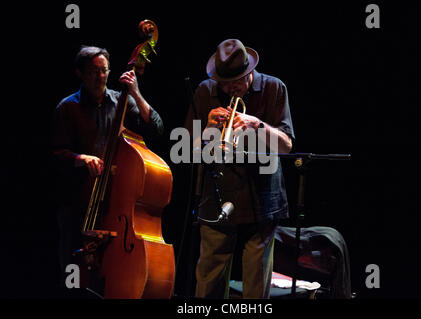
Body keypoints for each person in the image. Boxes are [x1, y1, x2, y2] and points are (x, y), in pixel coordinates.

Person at [184, 39, 295, 298]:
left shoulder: (274, 88)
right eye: (225, 83)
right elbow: (189, 151)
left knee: (256, 290)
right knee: (208, 285)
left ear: (249, 73)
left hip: (262, 204)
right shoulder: (204, 92)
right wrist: (211, 127)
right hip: (216, 201)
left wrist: (257, 125)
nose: (230, 88)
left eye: (237, 81)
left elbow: (287, 145)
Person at [52, 46, 164, 287]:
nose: (100, 77)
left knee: (111, 276)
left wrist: (135, 91)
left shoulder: (121, 101)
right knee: (74, 278)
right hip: (77, 204)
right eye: (93, 72)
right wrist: (80, 158)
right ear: (80, 73)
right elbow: (55, 154)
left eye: (104, 71)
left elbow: (156, 128)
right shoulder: (67, 107)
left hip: (115, 204)